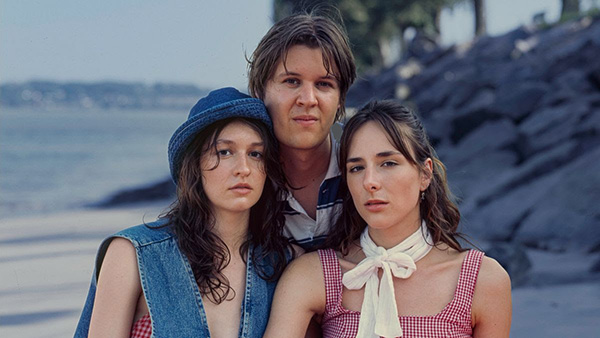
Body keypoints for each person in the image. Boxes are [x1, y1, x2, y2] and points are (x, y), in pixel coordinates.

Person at [263, 100, 512, 338]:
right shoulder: (313, 275)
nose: (370, 182)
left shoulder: (482, 280)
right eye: (356, 168)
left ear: (425, 174)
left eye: (388, 163)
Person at [74, 87, 294, 338]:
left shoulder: (280, 263)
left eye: (255, 154)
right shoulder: (134, 254)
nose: (243, 168)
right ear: (194, 164)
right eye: (224, 152)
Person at [248, 12, 357, 250]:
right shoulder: (244, 175)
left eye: (323, 84)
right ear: (260, 91)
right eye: (292, 81)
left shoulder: (366, 168)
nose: (308, 100)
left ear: (340, 100)